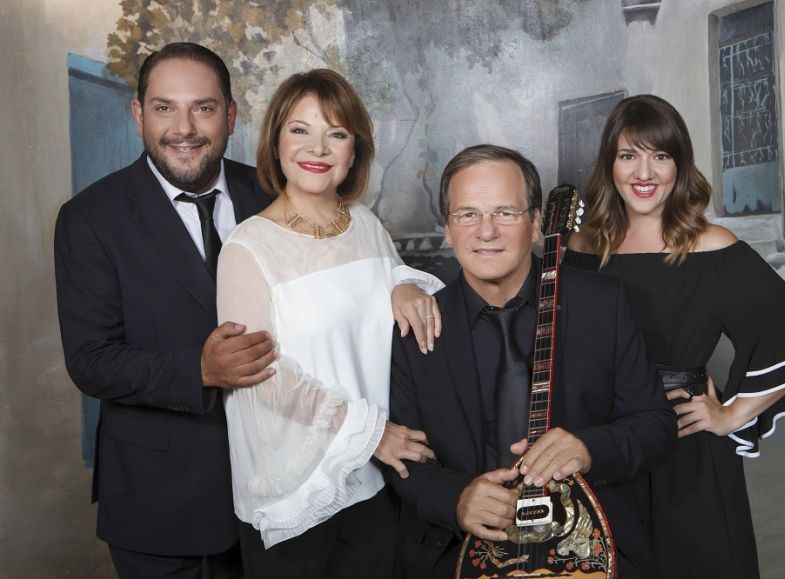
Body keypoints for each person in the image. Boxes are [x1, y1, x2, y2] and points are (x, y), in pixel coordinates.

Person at [54, 45, 435, 579]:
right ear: (139, 115)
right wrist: (198, 369)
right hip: (165, 496)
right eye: (164, 108)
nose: (184, 128)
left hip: (299, 478)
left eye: (204, 108)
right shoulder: (91, 218)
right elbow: (91, 360)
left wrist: (401, 282)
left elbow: (346, 258)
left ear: (231, 116)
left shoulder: (280, 184)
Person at [564, 94, 785, 578]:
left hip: (683, 450)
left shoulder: (712, 247)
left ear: (679, 165)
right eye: (628, 156)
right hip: (599, 446)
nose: (644, 173)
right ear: (610, 165)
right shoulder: (581, 247)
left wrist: (731, 414)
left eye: (660, 156)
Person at [388, 144, 677, 578]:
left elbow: (655, 424)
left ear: (537, 222)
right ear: (448, 229)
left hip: (588, 547)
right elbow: (406, 459)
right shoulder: (418, 327)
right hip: (458, 550)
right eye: (468, 214)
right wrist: (457, 499)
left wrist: (588, 448)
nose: (486, 232)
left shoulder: (602, 304)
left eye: (505, 213)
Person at [216, 69, 444, 578]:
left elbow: (383, 303)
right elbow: (263, 377)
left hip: (376, 482)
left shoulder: (365, 224)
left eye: (336, 133)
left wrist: (403, 284)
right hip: (300, 491)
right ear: (275, 141)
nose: (317, 148)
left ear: (354, 149)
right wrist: (370, 434)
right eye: (300, 130)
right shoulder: (247, 247)